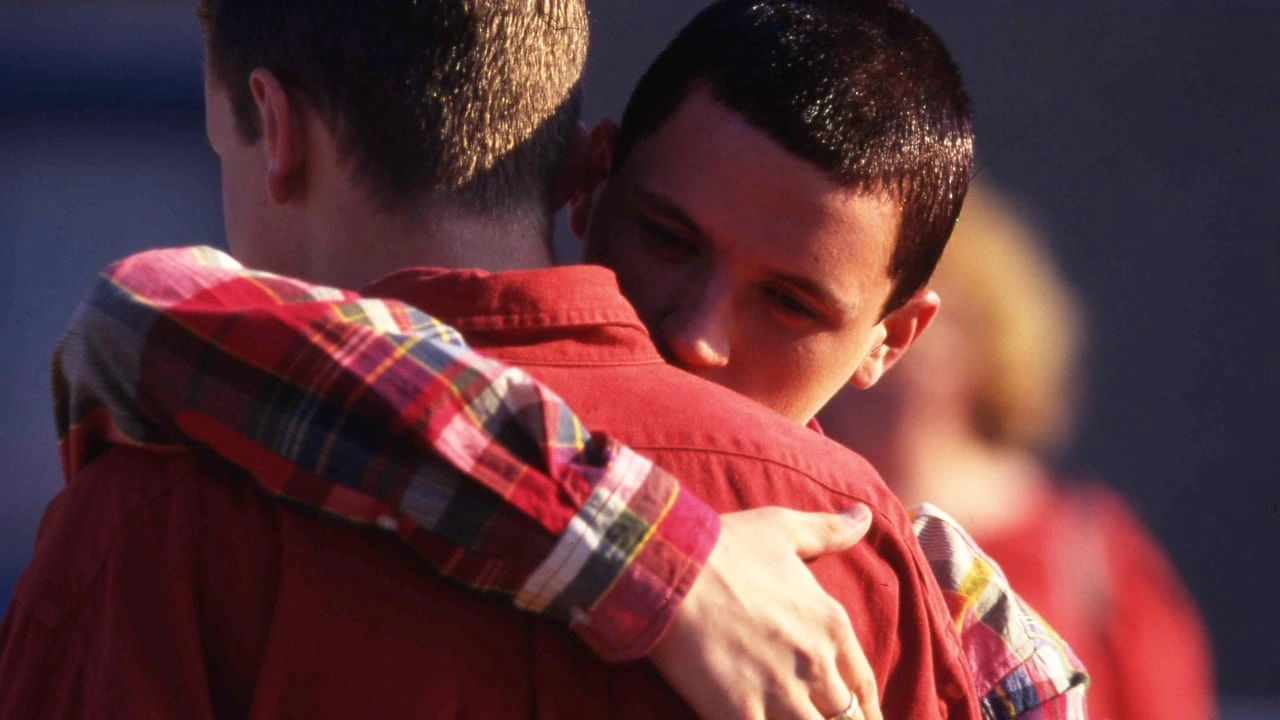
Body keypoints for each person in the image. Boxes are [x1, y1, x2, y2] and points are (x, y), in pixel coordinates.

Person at [0, 1, 982, 719]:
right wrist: (657, 556)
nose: (698, 337)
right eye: (668, 238)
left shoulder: (167, 507)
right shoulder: (866, 571)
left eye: (791, 303)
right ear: (586, 178)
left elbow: (144, 315)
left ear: (273, 128)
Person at [819, 182, 1215, 720]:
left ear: (983, 340)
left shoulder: (1089, 550)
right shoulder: (798, 511)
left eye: (903, 315)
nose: (875, 341)